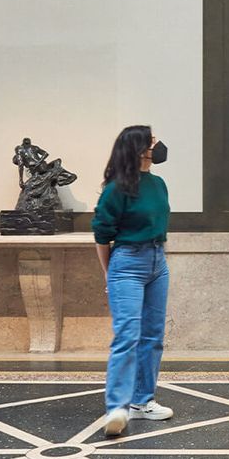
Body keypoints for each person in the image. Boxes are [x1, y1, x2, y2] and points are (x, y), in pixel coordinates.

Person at [93, 126, 174, 437]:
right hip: (126, 263)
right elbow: (102, 235)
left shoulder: (159, 184)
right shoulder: (116, 189)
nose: (158, 145)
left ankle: (143, 401)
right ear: (139, 148)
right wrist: (108, 273)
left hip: (158, 262)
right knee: (127, 335)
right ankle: (117, 407)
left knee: (153, 335)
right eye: (152, 141)